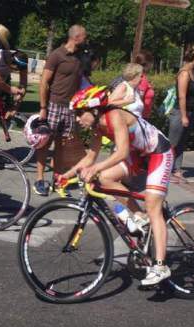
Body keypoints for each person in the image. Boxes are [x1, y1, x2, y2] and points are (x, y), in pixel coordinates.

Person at [61, 85, 174, 285]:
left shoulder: (115, 116)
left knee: (153, 206)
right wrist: (67, 174)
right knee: (104, 178)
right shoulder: (97, 125)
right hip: (138, 154)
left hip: (158, 152)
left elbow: (121, 152)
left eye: (80, 113)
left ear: (94, 109)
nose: (78, 119)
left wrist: (95, 168)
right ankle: (139, 218)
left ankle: (160, 266)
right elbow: (91, 156)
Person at [34, 24, 87, 196]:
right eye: (84, 36)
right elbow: (44, 82)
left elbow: (81, 84)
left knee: (62, 146)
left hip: (70, 108)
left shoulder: (80, 58)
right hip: (54, 105)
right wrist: (43, 107)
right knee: (45, 143)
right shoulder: (57, 55)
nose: (86, 40)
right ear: (76, 37)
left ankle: (58, 180)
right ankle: (39, 180)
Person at [167, 43, 194, 183]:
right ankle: (165, 169)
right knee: (173, 143)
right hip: (180, 112)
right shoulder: (184, 73)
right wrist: (183, 116)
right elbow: (181, 95)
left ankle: (177, 170)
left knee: (181, 143)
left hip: (189, 111)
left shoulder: (191, 71)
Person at [134, 50, 155, 120]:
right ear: (148, 63)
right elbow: (139, 97)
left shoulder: (136, 75)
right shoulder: (142, 78)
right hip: (140, 116)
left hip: (140, 115)